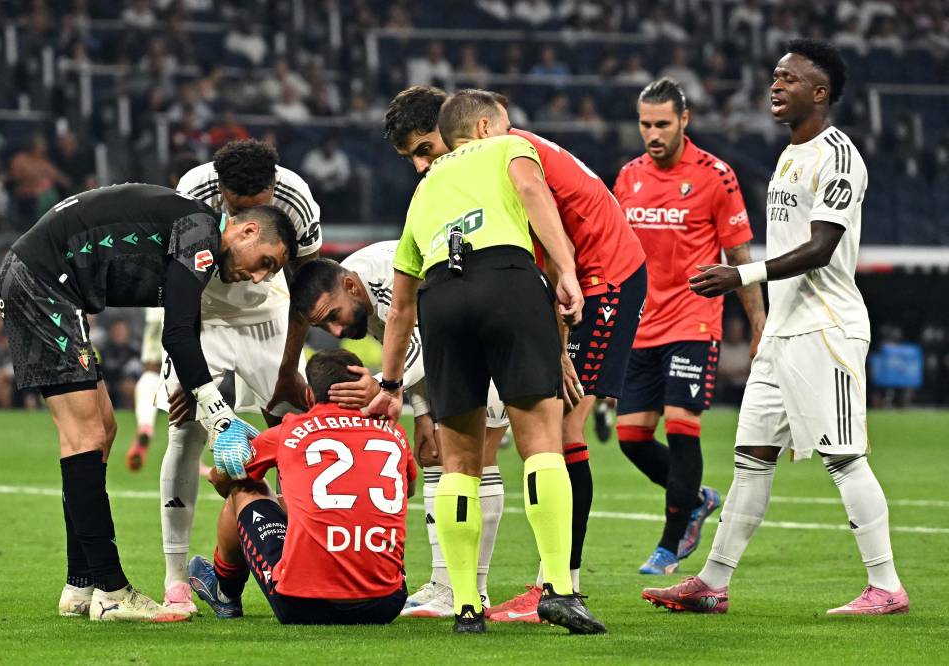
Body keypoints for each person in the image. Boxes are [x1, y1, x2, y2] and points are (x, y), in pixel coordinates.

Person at [644, 39, 909, 616]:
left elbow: (820, 248)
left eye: (788, 79)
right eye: (774, 76)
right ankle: (713, 582)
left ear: (820, 93)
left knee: (844, 456)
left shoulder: (839, 158)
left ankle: (886, 586)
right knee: (750, 457)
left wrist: (744, 274)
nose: (775, 86)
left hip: (825, 329)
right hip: (784, 330)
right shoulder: (790, 154)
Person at [383, 85, 648, 624]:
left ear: (459, 127)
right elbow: (527, 223)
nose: (419, 165)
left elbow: (401, 304)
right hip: (531, 278)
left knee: (465, 459)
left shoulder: (435, 190)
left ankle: (467, 603)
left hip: (596, 274)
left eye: (421, 148)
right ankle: (559, 587)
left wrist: (388, 386)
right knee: (548, 440)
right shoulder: (506, 152)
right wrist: (554, 327)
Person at [0, 183, 298, 622]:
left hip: (46, 282)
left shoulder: (194, 229)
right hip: (42, 283)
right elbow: (176, 332)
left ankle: (81, 585)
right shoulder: (201, 234)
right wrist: (219, 413)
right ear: (248, 230)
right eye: (265, 263)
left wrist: (197, 391)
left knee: (103, 429)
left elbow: (183, 329)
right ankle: (112, 591)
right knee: (84, 435)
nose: (258, 277)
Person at [290, 242, 509, 617]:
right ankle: (445, 583)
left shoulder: (384, 280)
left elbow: (426, 342)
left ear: (351, 287)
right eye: (324, 325)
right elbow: (411, 345)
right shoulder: (359, 294)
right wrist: (423, 413)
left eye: (334, 316)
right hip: (458, 347)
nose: (337, 330)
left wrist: (381, 384)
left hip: (493, 330)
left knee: (477, 460)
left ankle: (477, 589)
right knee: (438, 460)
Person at [152, 139, 322, 615]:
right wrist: (187, 367)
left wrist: (289, 369)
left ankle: (305, 561)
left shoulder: (297, 197)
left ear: (273, 188)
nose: (246, 219)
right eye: (236, 208)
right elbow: (177, 278)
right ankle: (176, 580)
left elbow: (308, 288)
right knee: (184, 432)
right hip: (202, 314)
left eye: (257, 208)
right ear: (220, 190)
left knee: (297, 433)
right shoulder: (193, 189)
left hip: (269, 316)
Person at [612, 77, 767, 575]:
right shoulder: (628, 177)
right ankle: (697, 500)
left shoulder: (715, 176)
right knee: (632, 438)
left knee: (681, 423)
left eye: (662, 123)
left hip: (693, 319)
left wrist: (759, 323)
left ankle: (669, 542)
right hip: (641, 326)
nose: (652, 133)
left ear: (684, 120)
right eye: (645, 124)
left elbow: (739, 258)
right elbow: (619, 258)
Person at [188, 349, 414, 624]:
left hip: (302, 605)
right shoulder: (394, 433)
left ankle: (224, 592)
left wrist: (225, 458)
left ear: (309, 395)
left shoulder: (291, 430)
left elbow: (222, 478)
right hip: (385, 604)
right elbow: (408, 490)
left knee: (243, 487)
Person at [126, 153, 201, 472]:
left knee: (152, 367)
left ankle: (145, 425)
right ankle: (190, 450)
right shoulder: (209, 210)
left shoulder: (158, 207)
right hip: (197, 293)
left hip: (157, 293)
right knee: (194, 372)